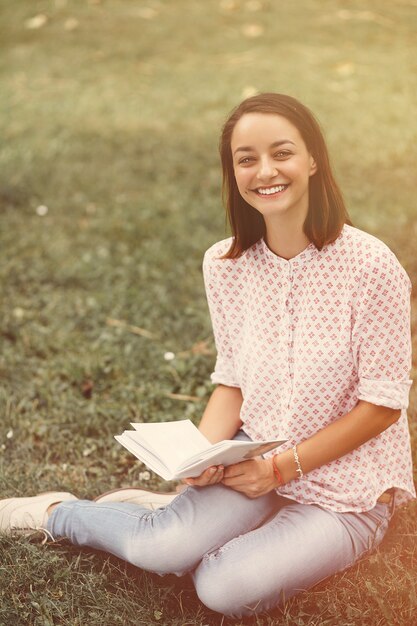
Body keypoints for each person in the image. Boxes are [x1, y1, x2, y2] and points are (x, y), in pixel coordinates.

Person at [1, 93, 415, 618]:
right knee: (159, 549)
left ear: (313, 160)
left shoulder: (371, 266)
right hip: (253, 460)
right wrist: (198, 457)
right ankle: (59, 513)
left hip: (347, 491)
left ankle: (177, 526)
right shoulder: (225, 263)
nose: (265, 170)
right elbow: (235, 382)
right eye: (247, 159)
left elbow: (381, 405)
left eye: (282, 153)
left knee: (222, 588)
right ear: (233, 171)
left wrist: (281, 471)